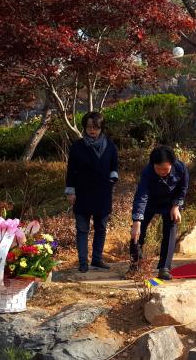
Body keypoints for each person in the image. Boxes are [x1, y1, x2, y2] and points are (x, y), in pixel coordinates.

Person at [65, 111, 119, 273]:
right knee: (82, 229)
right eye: (88, 127)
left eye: (95, 127)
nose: (92, 130)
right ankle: (83, 262)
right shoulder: (77, 147)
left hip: (103, 193)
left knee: (101, 228)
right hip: (82, 193)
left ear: (101, 128)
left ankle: (97, 259)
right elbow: (71, 171)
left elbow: (114, 166)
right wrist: (70, 191)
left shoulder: (110, 145)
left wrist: (112, 180)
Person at [128, 145, 189, 280]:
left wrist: (176, 206)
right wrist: (136, 221)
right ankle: (135, 265)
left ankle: (164, 267)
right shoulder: (147, 172)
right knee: (136, 232)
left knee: (170, 230)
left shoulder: (180, 168)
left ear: (172, 165)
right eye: (158, 169)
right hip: (150, 201)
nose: (162, 171)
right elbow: (141, 196)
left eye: (165, 169)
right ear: (152, 164)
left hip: (170, 203)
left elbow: (183, 188)